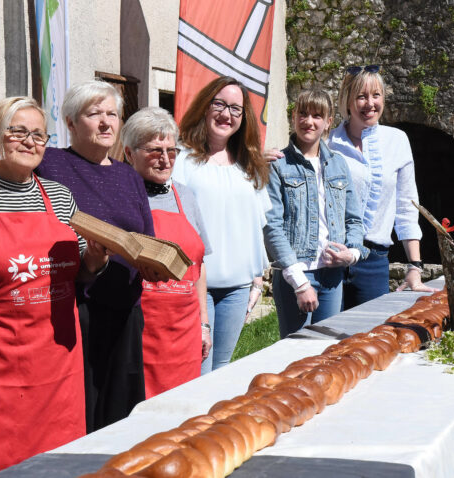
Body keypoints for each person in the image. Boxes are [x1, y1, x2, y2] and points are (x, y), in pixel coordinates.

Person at [0, 80, 156, 432]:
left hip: (94, 324)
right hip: (47, 326)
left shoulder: (102, 183)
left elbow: (127, 245)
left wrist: (105, 263)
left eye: (112, 114)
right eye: (94, 113)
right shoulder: (51, 165)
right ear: (70, 123)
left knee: (94, 430)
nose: (30, 141)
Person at [0, 97, 108, 476]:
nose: (30, 142)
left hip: (58, 365)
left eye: (39, 135)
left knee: (61, 463)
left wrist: (95, 260)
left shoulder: (60, 197)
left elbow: (76, 270)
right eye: (18, 131)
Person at [173, 76, 271, 372]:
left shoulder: (249, 163)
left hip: (237, 289)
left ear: (244, 118)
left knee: (222, 369)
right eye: (219, 104)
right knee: (198, 370)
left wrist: (257, 279)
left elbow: (257, 224)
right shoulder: (182, 158)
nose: (226, 114)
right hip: (195, 286)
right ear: (205, 107)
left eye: (235, 109)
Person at [328, 66, 438, 309]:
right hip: (329, 258)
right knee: (322, 340)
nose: (370, 103)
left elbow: (406, 207)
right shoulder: (328, 143)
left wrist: (415, 267)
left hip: (373, 261)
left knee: (368, 338)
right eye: (361, 96)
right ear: (347, 101)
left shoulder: (397, 140)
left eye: (375, 95)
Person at [122, 107, 212, 398]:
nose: (165, 160)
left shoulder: (184, 195)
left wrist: (203, 324)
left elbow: (197, 267)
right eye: (154, 151)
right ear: (128, 153)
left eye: (171, 151)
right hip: (141, 333)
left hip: (184, 334)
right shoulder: (120, 197)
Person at [264, 89, 367, 338]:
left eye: (317, 115)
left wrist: (352, 253)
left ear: (328, 122)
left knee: (326, 350)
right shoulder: (278, 164)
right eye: (303, 114)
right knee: (296, 352)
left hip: (332, 276)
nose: (309, 121)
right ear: (293, 117)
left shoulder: (339, 164)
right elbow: (272, 226)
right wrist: (300, 283)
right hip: (296, 275)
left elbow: (353, 218)